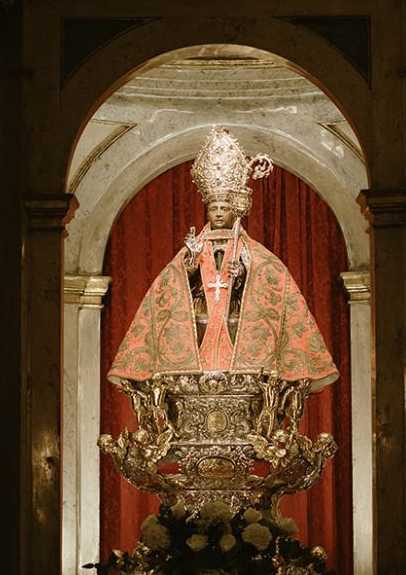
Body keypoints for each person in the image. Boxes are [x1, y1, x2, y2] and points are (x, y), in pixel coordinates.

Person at [107, 126, 338, 392]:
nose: (218, 214)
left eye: (225, 208)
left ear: (234, 211)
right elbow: (170, 286)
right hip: (202, 311)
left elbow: (268, 280)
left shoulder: (250, 249)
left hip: (236, 312)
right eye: (214, 208)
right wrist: (189, 269)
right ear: (206, 211)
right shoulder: (195, 246)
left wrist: (243, 273)